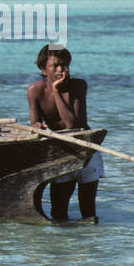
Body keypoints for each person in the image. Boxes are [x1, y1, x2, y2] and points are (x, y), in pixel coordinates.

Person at [26, 45, 100, 221]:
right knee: (59, 213)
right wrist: (38, 128)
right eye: (56, 65)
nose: (62, 69)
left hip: (86, 148)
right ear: (43, 70)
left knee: (88, 212)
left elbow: (72, 124)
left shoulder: (78, 86)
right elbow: (35, 124)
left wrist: (56, 91)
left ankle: (89, 245)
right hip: (61, 150)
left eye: (65, 65)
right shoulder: (35, 91)